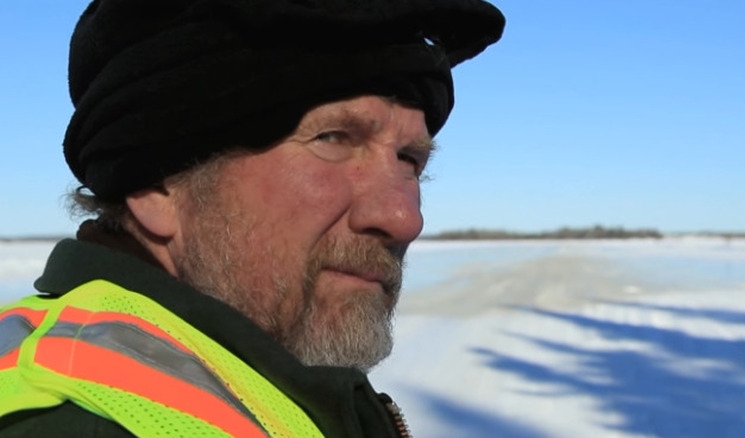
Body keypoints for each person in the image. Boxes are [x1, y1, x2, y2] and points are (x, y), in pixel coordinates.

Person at [0, 0, 504, 436]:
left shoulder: (262, 378)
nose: (403, 217)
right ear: (158, 185)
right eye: (332, 139)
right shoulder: (72, 423)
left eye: (410, 161)